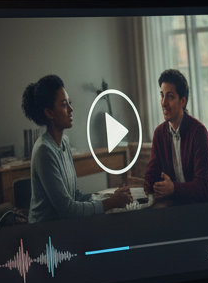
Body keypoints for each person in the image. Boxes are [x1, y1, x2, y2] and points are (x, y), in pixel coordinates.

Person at [22, 74, 132, 223]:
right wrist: (110, 203)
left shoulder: (64, 143)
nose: (71, 109)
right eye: (63, 105)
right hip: (45, 233)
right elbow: (68, 211)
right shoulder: (44, 151)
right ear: (49, 113)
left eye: (69, 102)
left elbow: (76, 196)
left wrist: (110, 198)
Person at [142, 68, 208, 204]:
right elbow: (151, 175)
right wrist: (149, 185)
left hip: (205, 207)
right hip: (176, 206)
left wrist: (173, 188)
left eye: (170, 96)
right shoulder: (159, 133)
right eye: (162, 95)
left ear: (183, 101)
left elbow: (202, 187)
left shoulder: (199, 132)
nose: (163, 102)